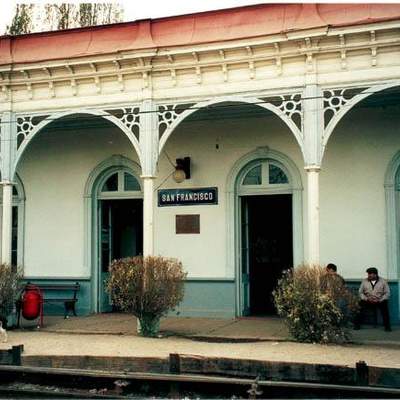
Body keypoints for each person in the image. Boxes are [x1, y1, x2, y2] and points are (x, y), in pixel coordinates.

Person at [354, 267, 391, 331]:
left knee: (385, 308)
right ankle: (357, 325)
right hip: (368, 300)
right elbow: (360, 292)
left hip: (379, 300)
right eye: (368, 274)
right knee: (359, 307)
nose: (369, 276)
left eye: (370, 274)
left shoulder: (383, 281)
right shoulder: (364, 281)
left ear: (375, 275)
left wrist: (381, 299)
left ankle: (387, 326)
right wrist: (366, 299)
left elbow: (387, 293)